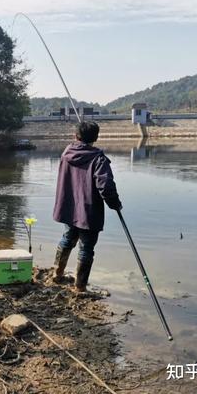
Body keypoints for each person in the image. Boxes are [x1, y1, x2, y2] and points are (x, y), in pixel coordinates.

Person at [52, 121, 122, 292]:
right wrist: (115, 204)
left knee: (68, 238)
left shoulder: (67, 152)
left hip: (69, 208)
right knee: (86, 248)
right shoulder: (98, 158)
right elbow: (105, 186)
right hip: (88, 212)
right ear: (96, 138)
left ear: (76, 136)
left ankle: (57, 273)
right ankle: (80, 287)